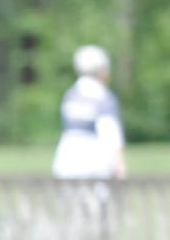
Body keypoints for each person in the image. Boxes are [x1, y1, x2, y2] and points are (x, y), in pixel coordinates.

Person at [53, 45, 127, 180]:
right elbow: (111, 135)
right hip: (95, 163)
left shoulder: (70, 95)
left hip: (66, 159)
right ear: (102, 71)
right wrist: (120, 166)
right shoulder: (104, 97)